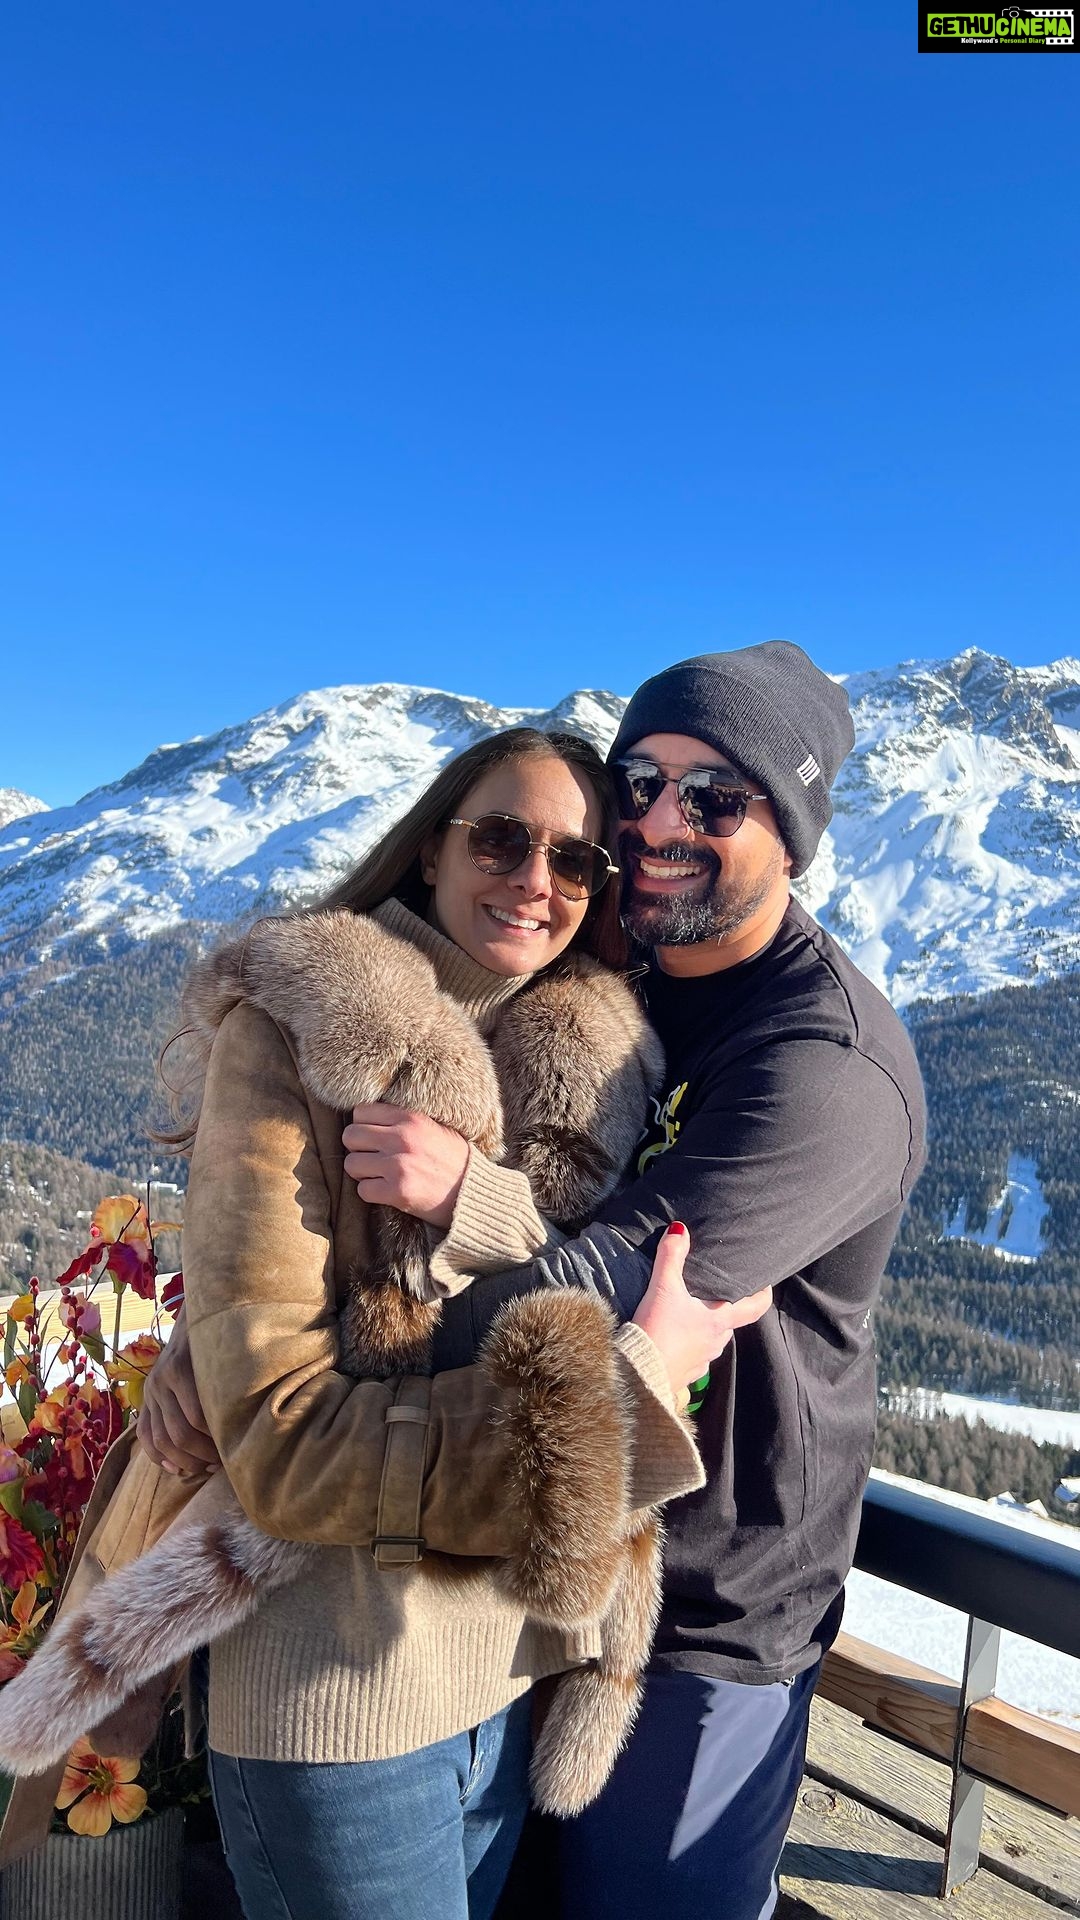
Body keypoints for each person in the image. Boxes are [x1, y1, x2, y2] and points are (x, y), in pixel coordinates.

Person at [132, 641, 926, 1917]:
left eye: (715, 797)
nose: (661, 822)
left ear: (794, 834)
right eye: (641, 784)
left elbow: (600, 1286)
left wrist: (275, 1361)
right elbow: (326, 1202)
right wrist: (237, 1324)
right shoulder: (613, 964)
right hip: (518, 1586)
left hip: (699, 1618)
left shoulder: (824, 1068)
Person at [0, 726, 768, 1920]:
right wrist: (599, 1418)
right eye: (502, 840)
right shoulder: (298, 1034)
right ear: (430, 852)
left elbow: (561, 1283)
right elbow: (283, 1441)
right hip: (336, 1697)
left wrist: (483, 1207)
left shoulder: (600, 1067)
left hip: (505, 1676)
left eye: (576, 861)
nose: (536, 881)